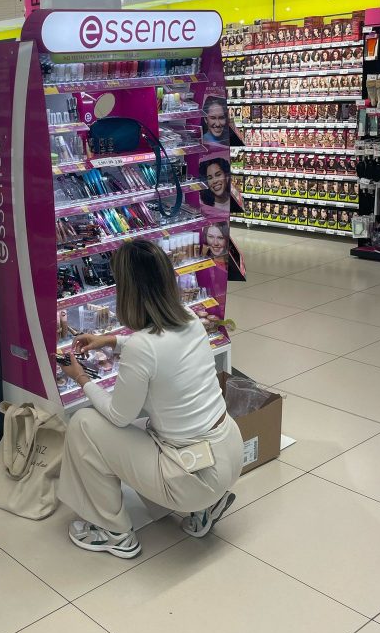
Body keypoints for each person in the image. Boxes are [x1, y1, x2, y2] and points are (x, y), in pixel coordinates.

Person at [56, 240, 243, 559]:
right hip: (229, 452)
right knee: (149, 427)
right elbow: (161, 349)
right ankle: (205, 507)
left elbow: (119, 416)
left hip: (192, 477)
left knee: (84, 424)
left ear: (128, 291)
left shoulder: (141, 348)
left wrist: (81, 378)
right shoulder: (189, 317)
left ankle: (113, 532)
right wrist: (111, 340)